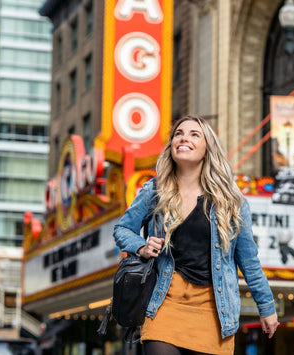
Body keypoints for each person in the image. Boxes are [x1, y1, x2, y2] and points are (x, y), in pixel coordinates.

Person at [114, 115, 279, 355]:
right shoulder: (155, 190)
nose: (184, 138)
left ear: (207, 148)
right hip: (164, 305)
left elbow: (249, 261)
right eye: (179, 133)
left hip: (214, 314)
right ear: (171, 145)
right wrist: (141, 246)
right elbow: (122, 229)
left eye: (194, 134)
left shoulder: (231, 201)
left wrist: (266, 306)